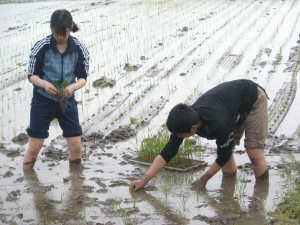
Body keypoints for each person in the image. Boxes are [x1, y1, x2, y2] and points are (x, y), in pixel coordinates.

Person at [131, 79, 269, 191]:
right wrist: (143, 181)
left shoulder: (217, 122)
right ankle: (228, 193)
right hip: (231, 108)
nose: (178, 137)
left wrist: (203, 179)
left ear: (193, 128)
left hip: (252, 100)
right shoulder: (184, 120)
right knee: (227, 152)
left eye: (180, 135)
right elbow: (167, 153)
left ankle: (261, 195)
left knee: (254, 152)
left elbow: (223, 154)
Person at [23, 9, 89, 170]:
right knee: (34, 147)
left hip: (66, 101)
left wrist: (72, 87)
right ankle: (28, 180)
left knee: (76, 147)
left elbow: (83, 78)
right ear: (51, 29)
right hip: (42, 101)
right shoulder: (42, 47)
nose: (59, 37)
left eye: (63, 33)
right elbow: (32, 75)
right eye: (56, 33)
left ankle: (76, 184)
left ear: (70, 28)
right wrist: (44, 84)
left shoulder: (79, 48)